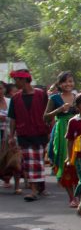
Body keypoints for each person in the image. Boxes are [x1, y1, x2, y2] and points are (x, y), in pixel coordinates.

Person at [8, 69, 49, 201]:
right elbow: (13, 118)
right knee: (29, 162)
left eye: (17, 80)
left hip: (40, 132)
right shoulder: (15, 98)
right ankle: (33, 190)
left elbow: (48, 114)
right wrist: (11, 136)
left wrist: (51, 131)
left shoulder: (41, 95)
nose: (15, 83)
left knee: (39, 161)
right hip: (24, 134)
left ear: (24, 80)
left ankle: (39, 186)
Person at [44, 71, 79, 206]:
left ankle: (79, 193)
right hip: (62, 132)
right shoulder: (54, 98)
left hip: (78, 132)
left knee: (79, 162)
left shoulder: (77, 97)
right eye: (65, 82)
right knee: (66, 163)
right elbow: (46, 117)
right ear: (59, 84)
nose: (68, 84)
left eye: (70, 81)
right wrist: (59, 109)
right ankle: (72, 197)